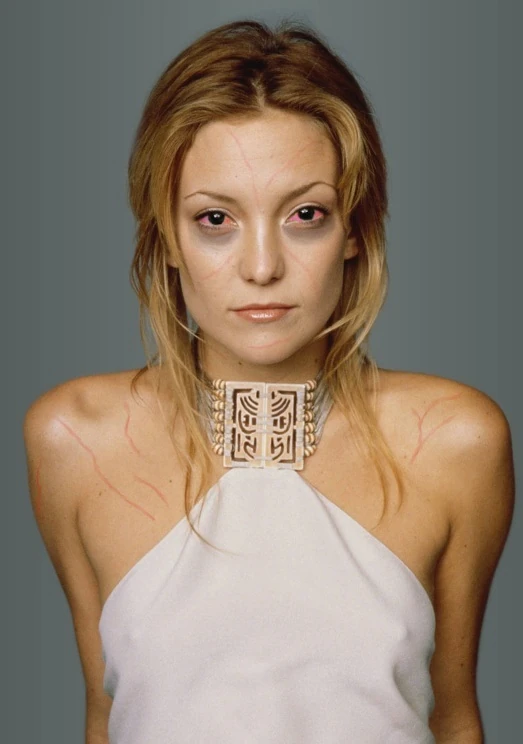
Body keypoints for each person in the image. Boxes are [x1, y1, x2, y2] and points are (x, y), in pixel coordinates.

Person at [23, 19, 515, 744]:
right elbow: (108, 717)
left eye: (304, 215)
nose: (261, 267)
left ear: (354, 228)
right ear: (167, 237)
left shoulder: (455, 441)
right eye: (215, 218)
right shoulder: (73, 437)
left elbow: (454, 718)